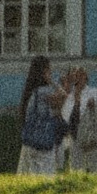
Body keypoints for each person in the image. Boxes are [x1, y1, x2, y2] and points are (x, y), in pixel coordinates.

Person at [16, 54, 61, 182]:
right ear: (43, 72)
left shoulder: (31, 92)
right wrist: (52, 82)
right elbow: (63, 97)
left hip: (30, 142)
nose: (51, 72)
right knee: (46, 180)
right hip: (43, 142)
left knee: (28, 179)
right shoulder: (44, 91)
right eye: (48, 70)